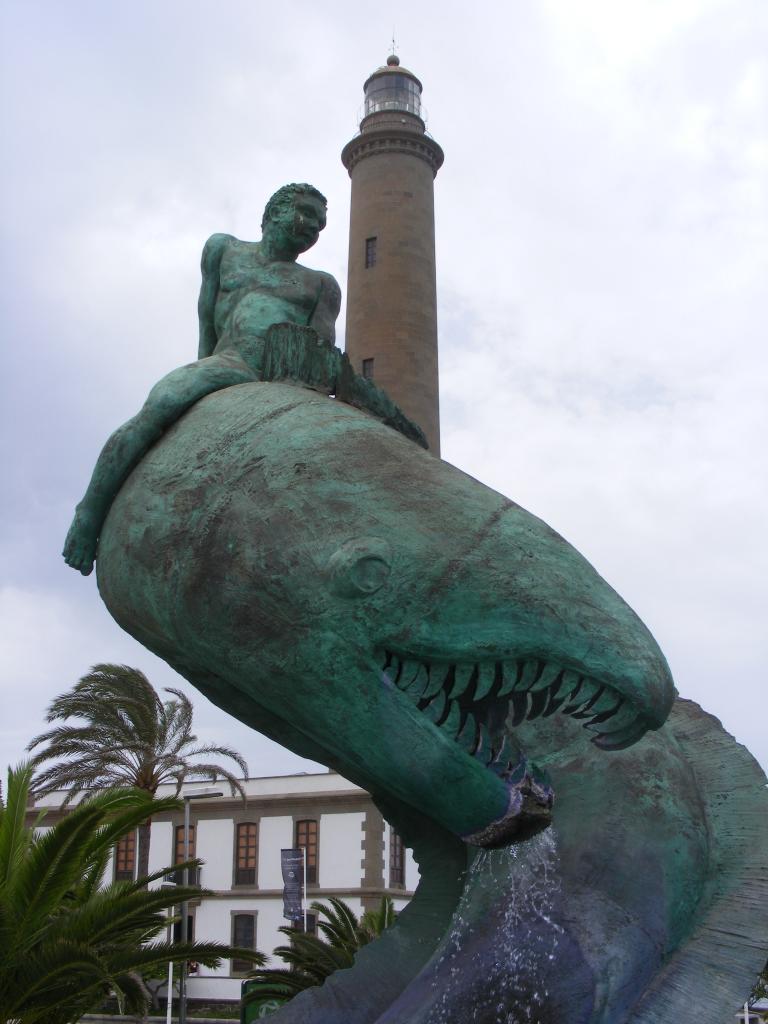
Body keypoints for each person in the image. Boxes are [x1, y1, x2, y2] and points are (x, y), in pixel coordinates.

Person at [63, 183, 426, 576]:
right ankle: (89, 514)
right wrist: (201, 385)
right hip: (228, 363)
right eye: (305, 214)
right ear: (273, 213)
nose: (312, 228)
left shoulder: (320, 285)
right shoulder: (223, 250)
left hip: (280, 379)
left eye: (320, 225)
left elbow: (318, 349)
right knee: (160, 406)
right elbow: (206, 319)